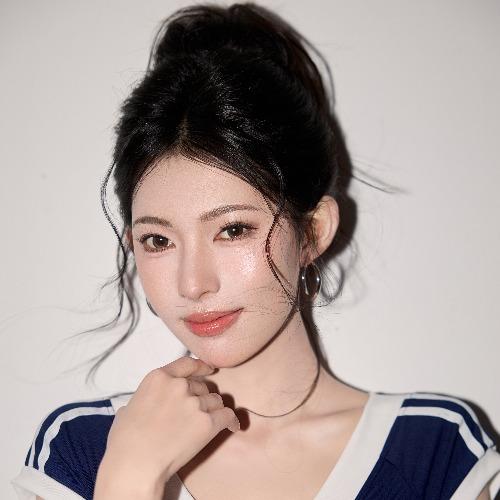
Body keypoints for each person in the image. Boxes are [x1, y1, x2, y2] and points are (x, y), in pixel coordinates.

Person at [10, 3, 500, 499]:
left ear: (313, 232)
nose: (192, 284)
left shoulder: (433, 454)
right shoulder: (80, 451)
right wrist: (131, 477)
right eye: (158, 240)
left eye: (233, 230)